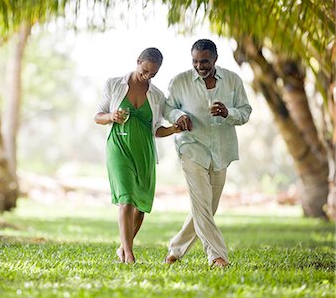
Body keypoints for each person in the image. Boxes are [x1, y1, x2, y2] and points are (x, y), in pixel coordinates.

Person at [163, 39, 252, 267]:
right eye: (195, 61)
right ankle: (217, 257)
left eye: (204, 61)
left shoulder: (232, 80)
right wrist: (177, 117)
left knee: (207, 207)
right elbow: (167, 108)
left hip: (221, 150)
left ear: (215, 59)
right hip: (191, 147)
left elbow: (245, 111)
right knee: (202, 203)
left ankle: (175, 249)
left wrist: (227, 112)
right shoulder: (180, 81)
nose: (199, 66)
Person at [94, 47, 181, 264]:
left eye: (152, 74)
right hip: (118, 147)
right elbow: (97, 116)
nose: (147, 76)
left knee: (141, 207)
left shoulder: (157, 95)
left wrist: (174, 129)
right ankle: (129, 254)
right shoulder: (114, 85)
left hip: (144, 151)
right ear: (138, 61)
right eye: (144, 71)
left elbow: (156, 130)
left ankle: (122, 247)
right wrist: (112, 116)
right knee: (126, 200)